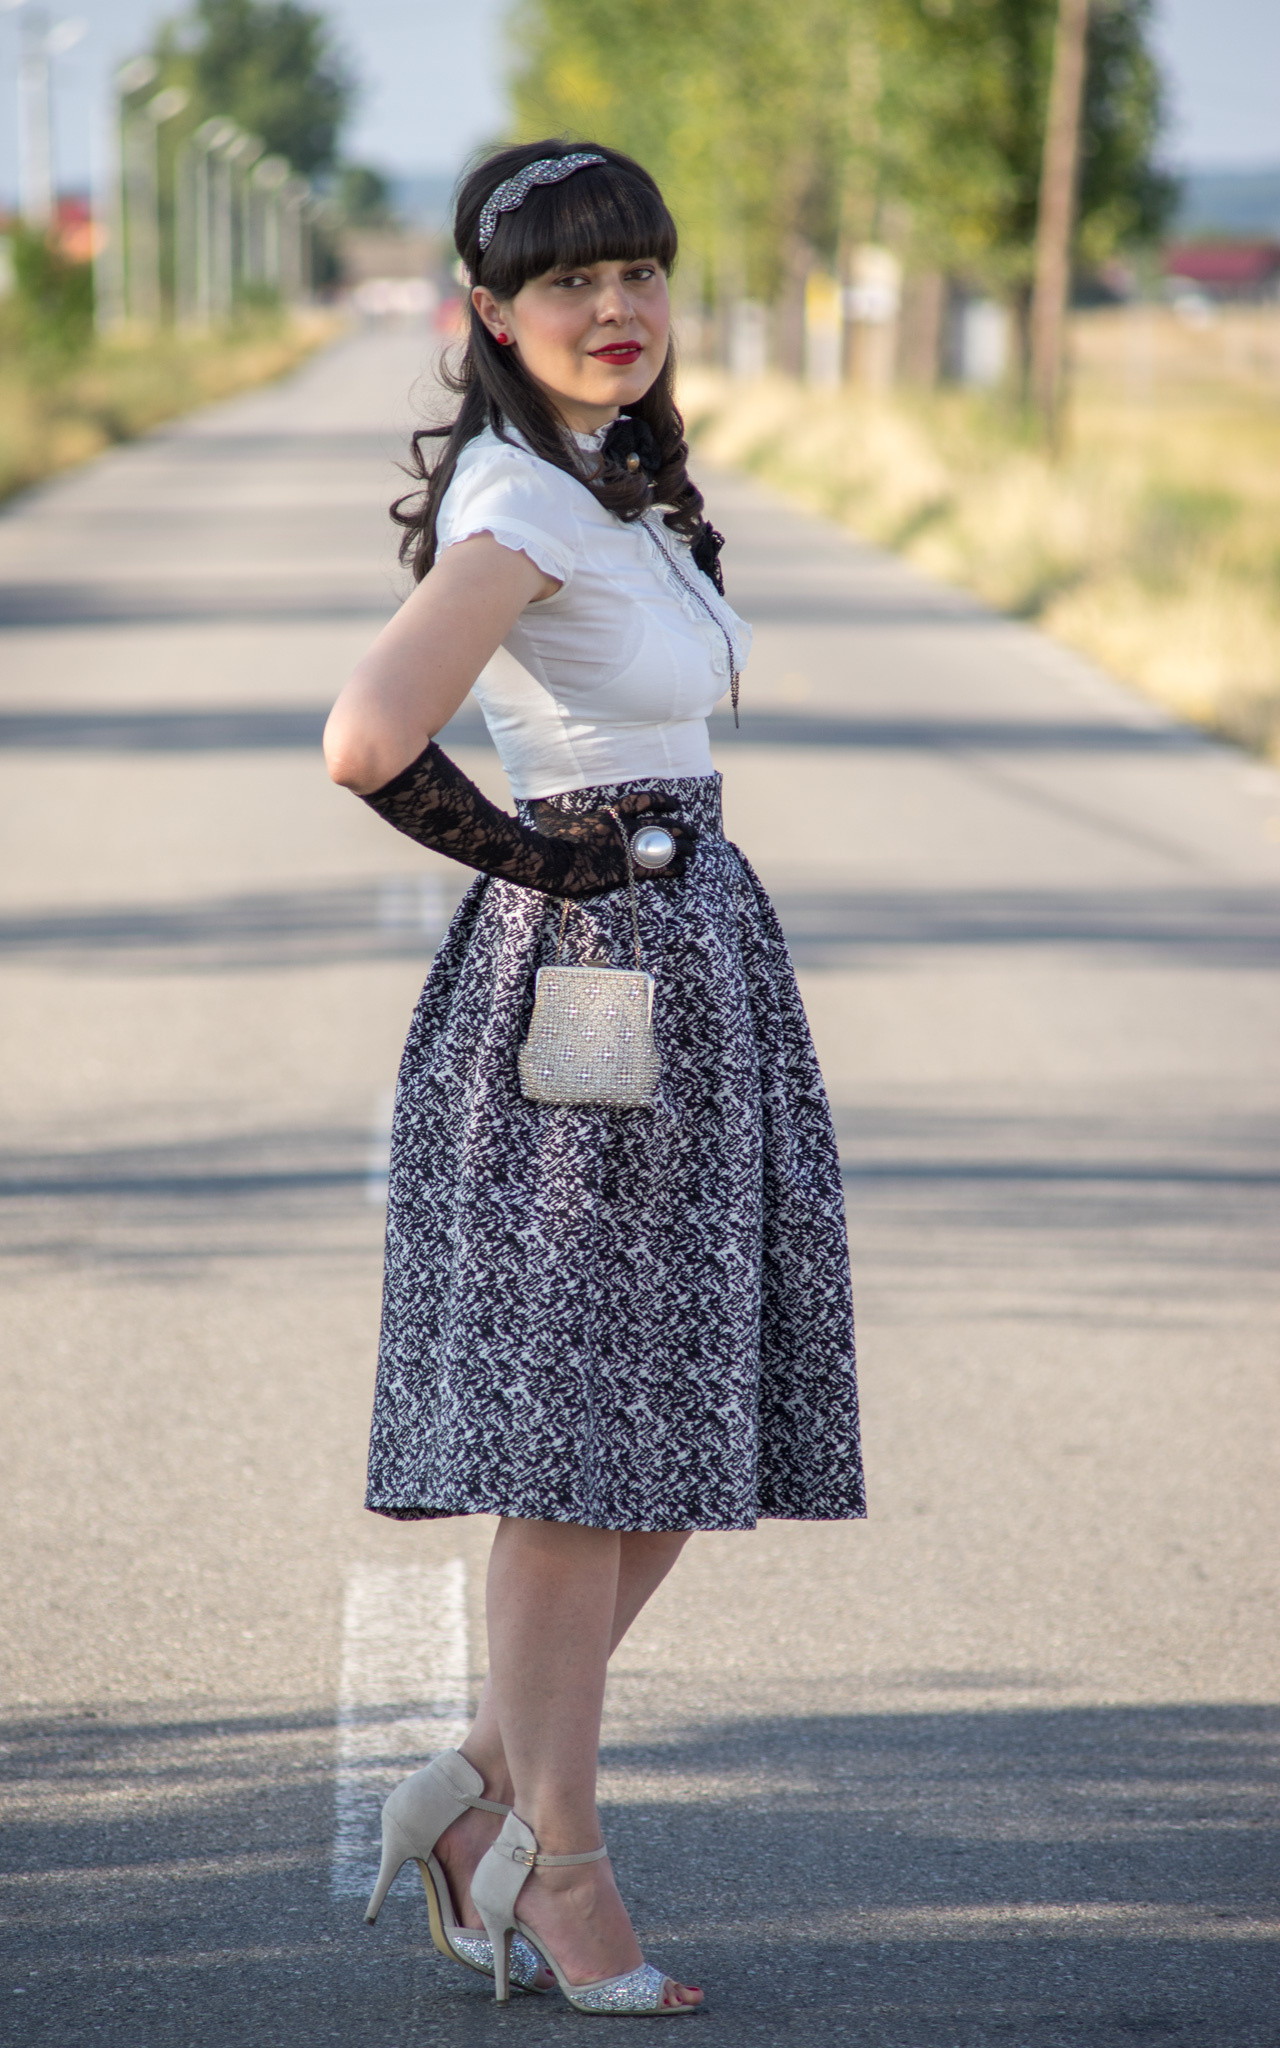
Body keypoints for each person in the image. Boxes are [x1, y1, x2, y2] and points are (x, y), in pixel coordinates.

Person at [323, 139, 865, 2017]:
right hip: (597, 1007)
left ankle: (478, 1788)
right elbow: (370, 736)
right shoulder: (521, 506)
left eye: (637, 270)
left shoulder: (607, 483)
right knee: (579, 1456)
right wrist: (555, 871)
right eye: (569, 282)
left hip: (691, 962)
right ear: (490, 314)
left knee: (675, 1438)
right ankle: (563, 1864)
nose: (615, 308)